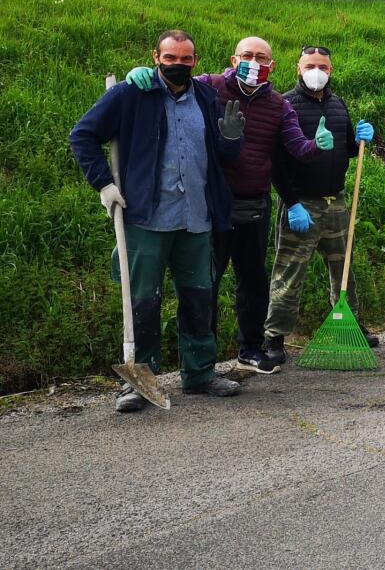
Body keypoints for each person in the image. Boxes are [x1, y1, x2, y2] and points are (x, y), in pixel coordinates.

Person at [127, 36, 332, 374]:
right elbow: (174, 82)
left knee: (252, 281)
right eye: (248, 55)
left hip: (256, 204)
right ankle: (198, 361)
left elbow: (296, 147)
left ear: (273, 65)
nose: (255, 62)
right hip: (213, 203)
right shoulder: (210, 87)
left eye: (262, 57)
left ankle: (250, 349)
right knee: (205, 283)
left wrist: (316, 146)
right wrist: (144, 74)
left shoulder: (279, 105)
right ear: (235, 60)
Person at [71, 30, 244, 412]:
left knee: (199, 298)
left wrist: (232, 140)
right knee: (142, 302)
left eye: (185, 59)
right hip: (147, 219)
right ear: (156, 56)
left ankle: (199, 373)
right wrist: (103, 184)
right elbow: (83, 135)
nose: (178, 65)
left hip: (196, 218)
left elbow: (223, 155)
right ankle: (139, 381)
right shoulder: (132, 94)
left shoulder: (206, 97)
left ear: (195, 61)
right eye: (170, 58)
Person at [261, 46, 378, 369]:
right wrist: (293, 203)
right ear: (298, 69)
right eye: (310, 65)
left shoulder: (338, 105)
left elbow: (346, 150)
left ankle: (349, 323)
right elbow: (277, 163)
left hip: (336, 202)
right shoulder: (284, 105)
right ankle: (274, 336)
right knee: (289, 272)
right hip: (301, 203)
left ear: (331, 69)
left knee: (343, 270)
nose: (317, 71)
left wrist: (359, 141)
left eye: (322, 65)